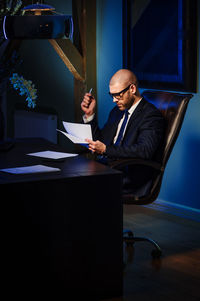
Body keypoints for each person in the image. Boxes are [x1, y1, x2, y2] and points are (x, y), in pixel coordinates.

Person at [81, 69, 165, 197]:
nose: (114, 100)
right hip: (108, 168)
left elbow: (144, 150)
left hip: (129, 176)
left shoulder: (150, 115)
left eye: (118, 95)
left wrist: (105, 150)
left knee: (77, 184)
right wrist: (90, 115)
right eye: (112, 95)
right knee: (69, 176)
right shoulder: (117, 111)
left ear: (132, 89)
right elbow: (102, 141)